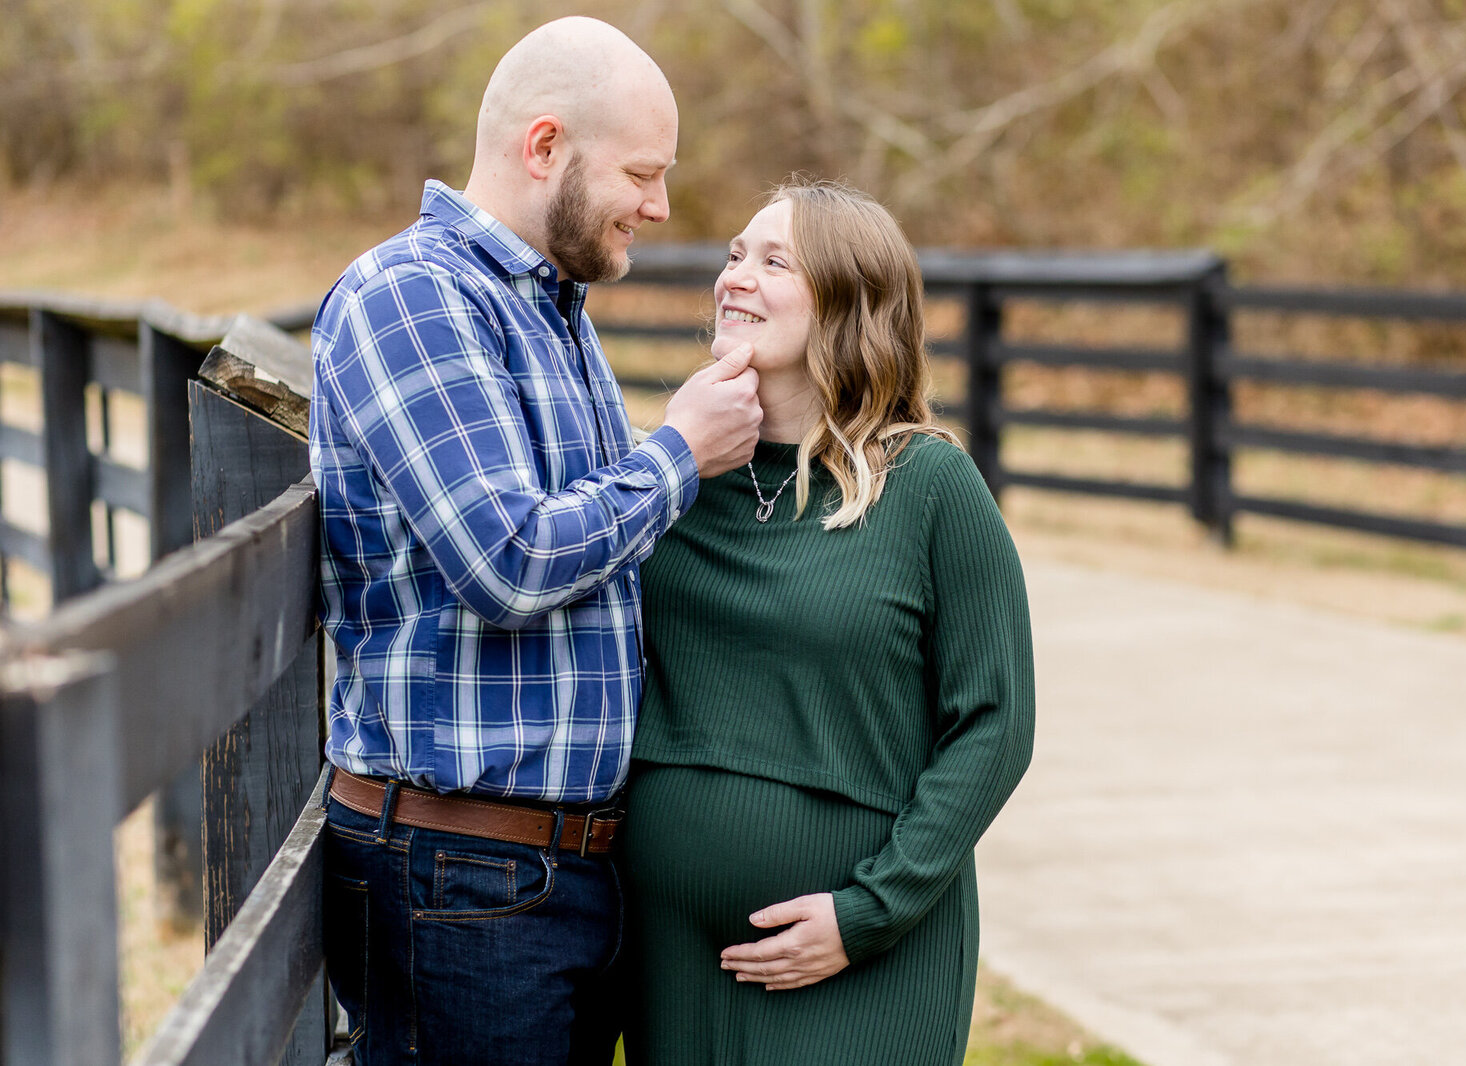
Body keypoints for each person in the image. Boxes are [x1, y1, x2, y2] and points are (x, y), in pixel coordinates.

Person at [307, 17, 761, 1066]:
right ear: (544, 147)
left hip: (558, 872)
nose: (658, 204)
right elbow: (507, 560)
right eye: (642, 173)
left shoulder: (552, 311)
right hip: (457, 869)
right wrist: (680, 454)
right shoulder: (411, 295)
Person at [620, 180, 1036, 1065]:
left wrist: (868, 913)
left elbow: (996, 724)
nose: (736, 277)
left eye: (775, 262)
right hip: (669, 954)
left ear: (850, 302)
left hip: (862, 956)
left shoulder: (928, 487)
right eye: (734, 254)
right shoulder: (673, 477)